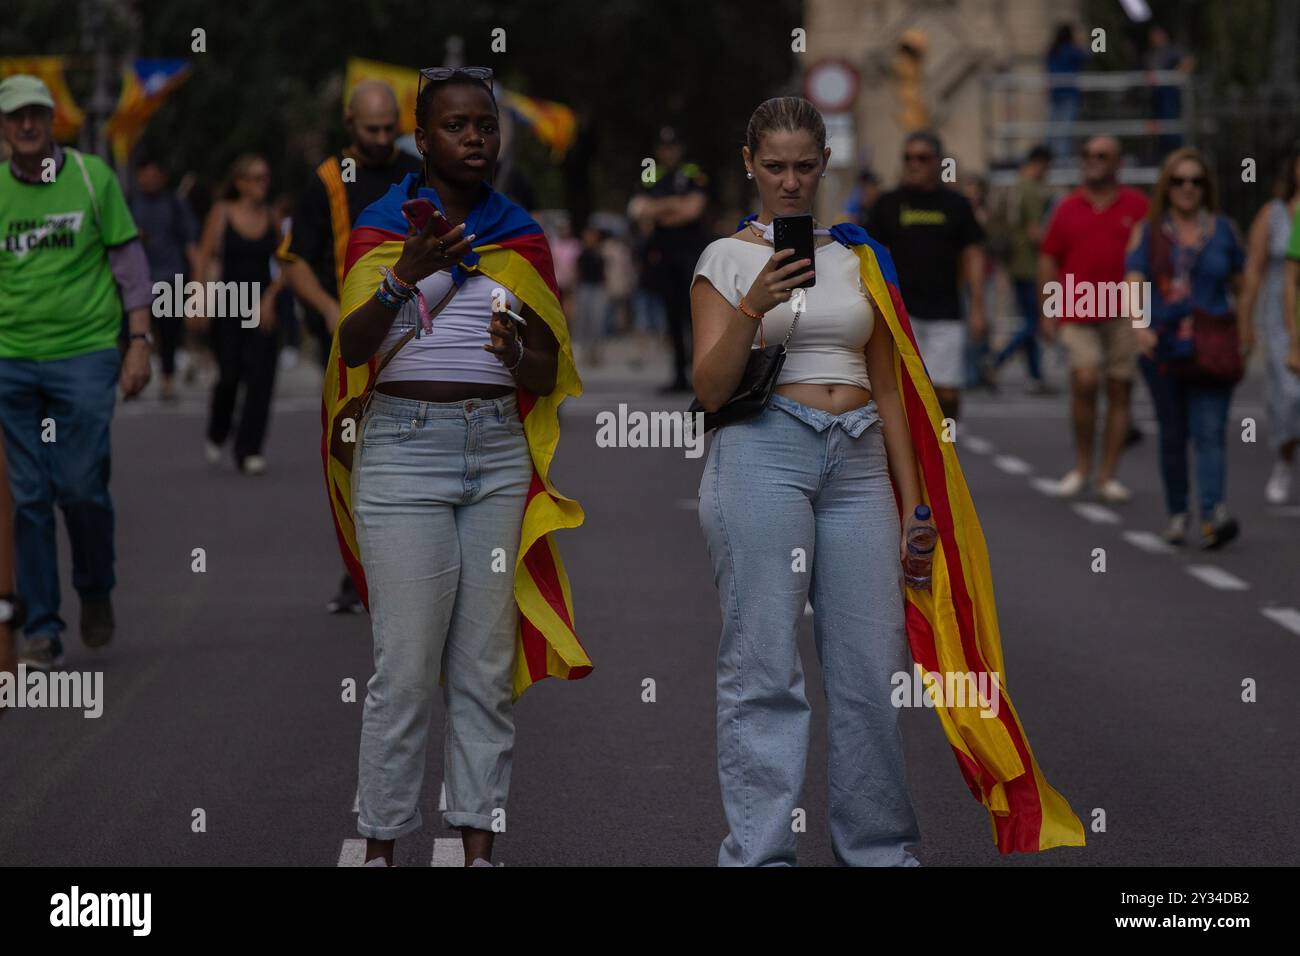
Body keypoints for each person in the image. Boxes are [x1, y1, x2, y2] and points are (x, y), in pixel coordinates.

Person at [692, 96, 1084, 865]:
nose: (791, 182)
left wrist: (917, 505)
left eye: (806, 166)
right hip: (763, 449)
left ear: (826, 166)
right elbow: (709, 388)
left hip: (861, 454)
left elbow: (894, 389)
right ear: (749, 164)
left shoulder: (857, 257)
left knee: (872, 672)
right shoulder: (724, 257)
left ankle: (877, 850)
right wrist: (753, 303)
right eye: (774, 166)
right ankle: (760, 852)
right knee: (764, 666)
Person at [326, 66, 590, 867]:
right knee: (404, 671)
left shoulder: (520, 236)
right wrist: (407, 271)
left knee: (481, 669)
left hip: (496, 456)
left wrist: (518, 352)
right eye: (456, 126)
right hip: (403, 453)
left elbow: (548, 373)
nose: (475, 138)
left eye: (485, 124)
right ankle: (380, 847)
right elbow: (354, 348)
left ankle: (477, 846)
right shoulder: (379, 228)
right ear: (422, 138)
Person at [0, 74, 152, 671]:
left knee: (81, 486)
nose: (27, 125)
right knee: (29, 496)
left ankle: (94, 586)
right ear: (5, 127)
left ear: (52, 119)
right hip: (11, 360)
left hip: (86, 354)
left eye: (37, 114)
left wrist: (139, 342)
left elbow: (131, 266)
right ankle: (40, 627)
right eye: (15, 118)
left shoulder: (91, 177)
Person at [278, 79, 422, 614]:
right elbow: (293, 261)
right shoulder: (325, 180)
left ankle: (406, 564)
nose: (383, 138)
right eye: (371, 129)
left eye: (390, 127)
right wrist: (331, 310)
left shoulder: (416, 171)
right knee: (351, 453)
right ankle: (358, 570)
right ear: (349, 123)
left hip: (409, 334)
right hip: (347, 342)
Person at [1127, 147, 1246, 548]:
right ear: (1167, 185)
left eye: (1196, 181)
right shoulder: (1150, 231)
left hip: (1212, 346)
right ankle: (1178, 512)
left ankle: (1213, 515)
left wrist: (1246, 332)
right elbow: (1134, 277)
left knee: (1210, 432)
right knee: (1173, 434)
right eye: (1179, 181)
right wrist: (1139, 325)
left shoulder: (1224, 231)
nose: (1188, 188)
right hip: (1163, 349)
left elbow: (1243, 283)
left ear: (1206, 187)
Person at [1037, 136, 1149, 501]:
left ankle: (1106, 476)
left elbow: (1153, 257)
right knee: (1085, 379)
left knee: (1120, 388)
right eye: (1087, 154)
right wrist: (1048, 310)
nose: (1093, 160)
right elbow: (1048, 258)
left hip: (1125, 311)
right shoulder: (1067, 207)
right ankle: (1083, 466)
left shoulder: (1139, 205)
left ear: (1118, 162)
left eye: (1102, 155)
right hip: (1077, 310)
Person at [867, 130, 986, 421]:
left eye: (922, 158)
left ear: (938, 162)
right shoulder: (887, 204)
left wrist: (978, 308)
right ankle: (910, 457)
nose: (914, 164)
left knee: (947, 394)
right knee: (901, 392)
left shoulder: (956, 205)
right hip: (900, 314)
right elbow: (870, 257)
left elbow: (973, 256)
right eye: (908, 158)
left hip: (946, 313)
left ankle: (946, 448)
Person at [195, 154, 283, 476]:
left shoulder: (272, 217)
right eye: (256, 178)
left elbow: (288, 263)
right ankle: (218, 430)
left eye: (266, 178)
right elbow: (203, 258)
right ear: (240, 182)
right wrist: (198, 300)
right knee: (229, 375)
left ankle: (249, 449)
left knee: (262, 377)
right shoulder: (222, 214)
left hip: (263, 307)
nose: (263, 184)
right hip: (228, 305)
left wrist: (270, 298)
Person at [630, 126, 711, 392]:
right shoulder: (651, 170)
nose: (668, 152)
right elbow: (641, 210)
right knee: (672, 316)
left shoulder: (691, 171)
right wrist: (674, 206)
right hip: (663, 255)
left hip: (689, 253)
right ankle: (678, 375)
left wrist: (660, 210)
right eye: (664, 147)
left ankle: (700, 370)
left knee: (694, 316)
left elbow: (693, 210)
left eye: (673, 146)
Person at [1242, 151, 1300, 504]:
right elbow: (1253, 269)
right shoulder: (1273, 214)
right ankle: (1284, 459)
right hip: (1280, 315)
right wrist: (1245, 323)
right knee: (1290, 396)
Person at [129, 154, 199, 401]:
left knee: (169, 332)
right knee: (140, 332)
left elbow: (190, 242)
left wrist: (198, 282)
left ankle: (168, 379)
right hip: (140, 280)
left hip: (171, 277)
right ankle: (137, 373)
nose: (148, 180)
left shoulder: (174, 204)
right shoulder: (131, 204)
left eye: (152, 174)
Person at [993, 145, 1053, 393]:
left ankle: (1036, 377)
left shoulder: (1013, 188)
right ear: (1039, 163)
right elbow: (1034, 232)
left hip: (1014, 263)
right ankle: (997, 359)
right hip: (1031, 265)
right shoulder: (1032, 191)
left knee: (1030, 319)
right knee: (1035, 321)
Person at [1045, 23, 1088, 162]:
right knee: (1066, 129)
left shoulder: (1053, 51)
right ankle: (1061, 159)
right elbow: (1087, 57)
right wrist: (1084, 42)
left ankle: (1050, 156)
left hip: (1055, 93)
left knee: (1053, 128)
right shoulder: (1070, 50)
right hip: (1069, 94)